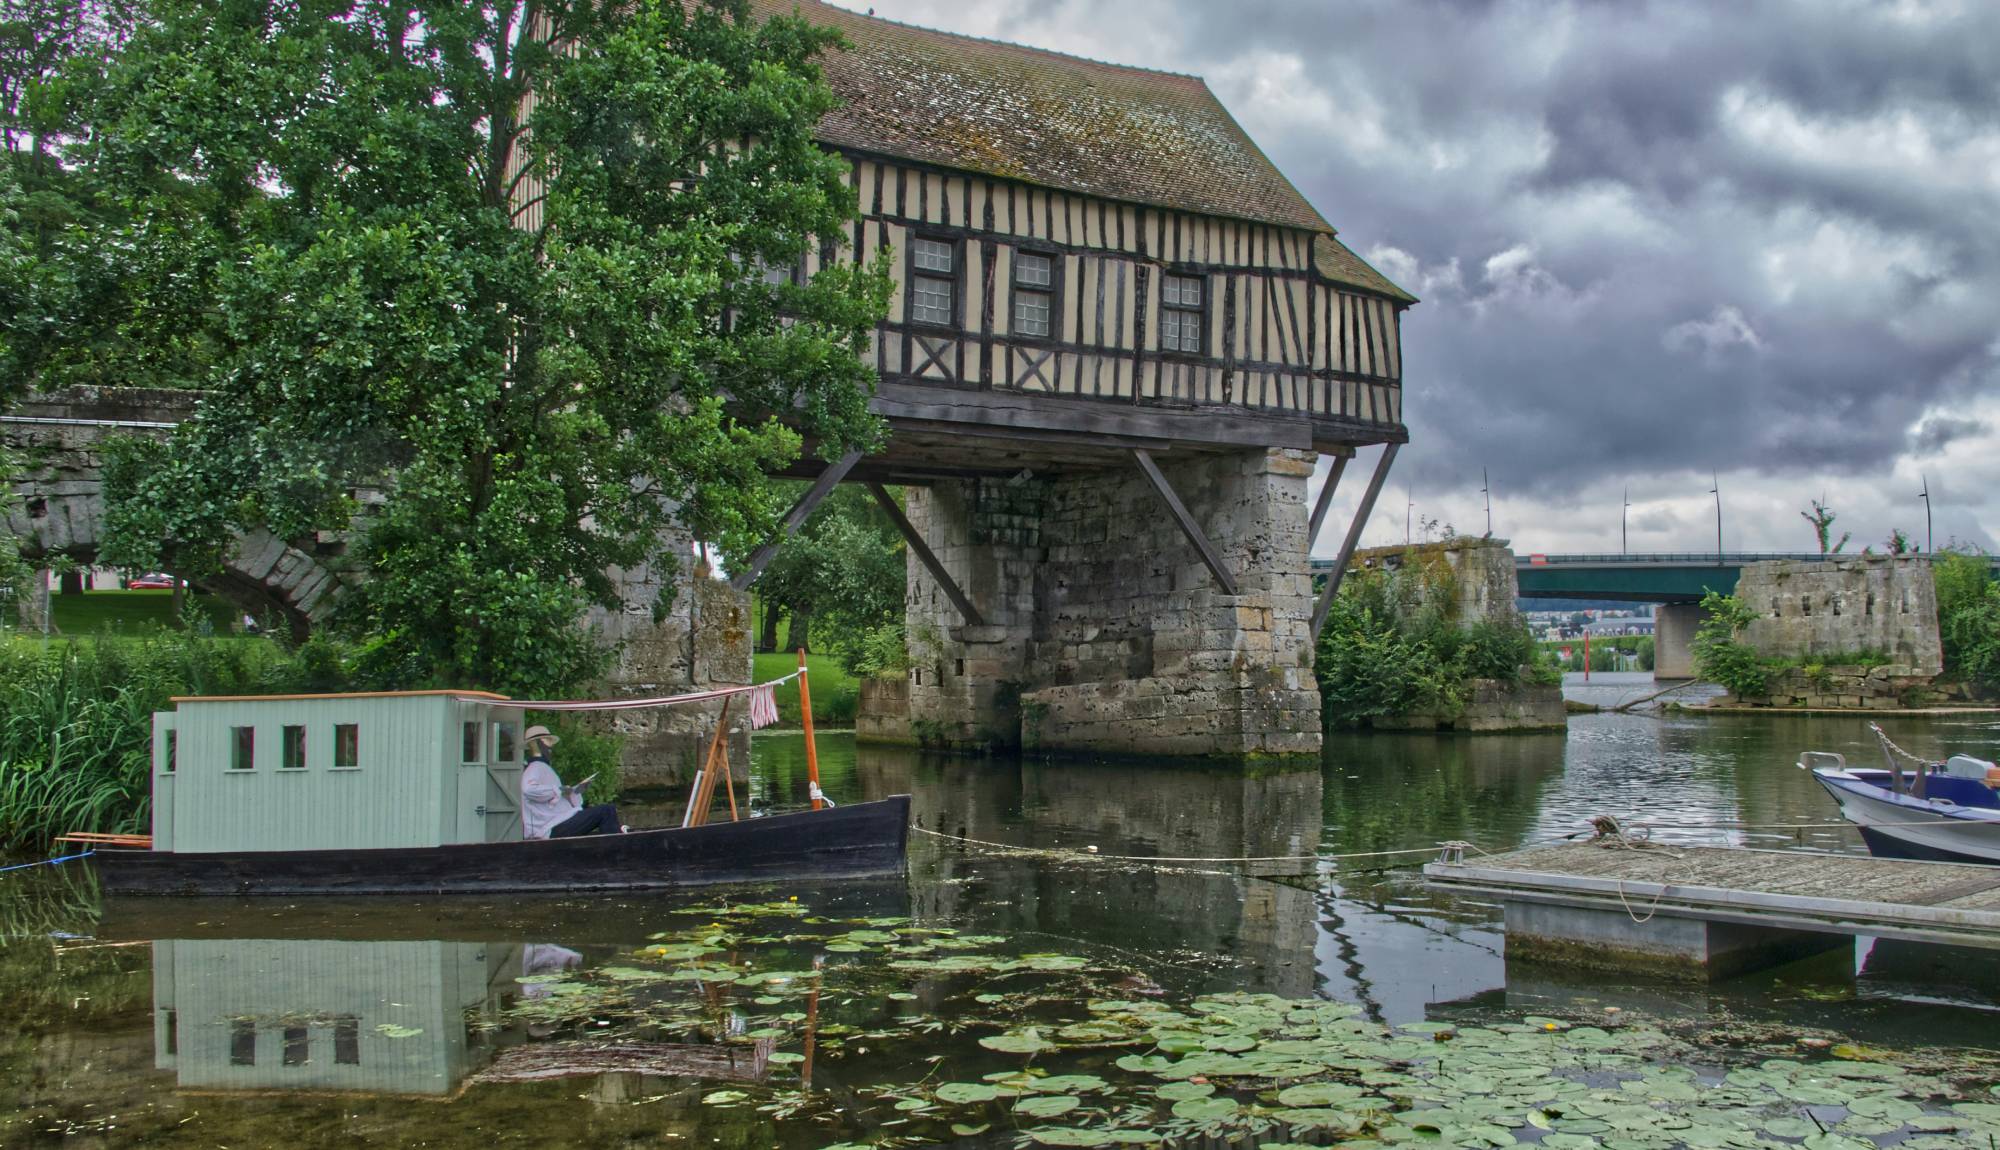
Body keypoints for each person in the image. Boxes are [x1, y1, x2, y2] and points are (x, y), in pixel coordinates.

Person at [519, 725, 625, 838]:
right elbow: (528, 789)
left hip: (559, 821)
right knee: (606, 811)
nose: (551, 745)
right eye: (547, 740)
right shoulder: (535, 767)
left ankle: (613, 844)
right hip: (549, 827)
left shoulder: (544, 767)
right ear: (536, 743)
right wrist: (558, 790)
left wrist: (575, 791)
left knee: (606, 811)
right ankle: (616, 848)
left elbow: (555, 797)